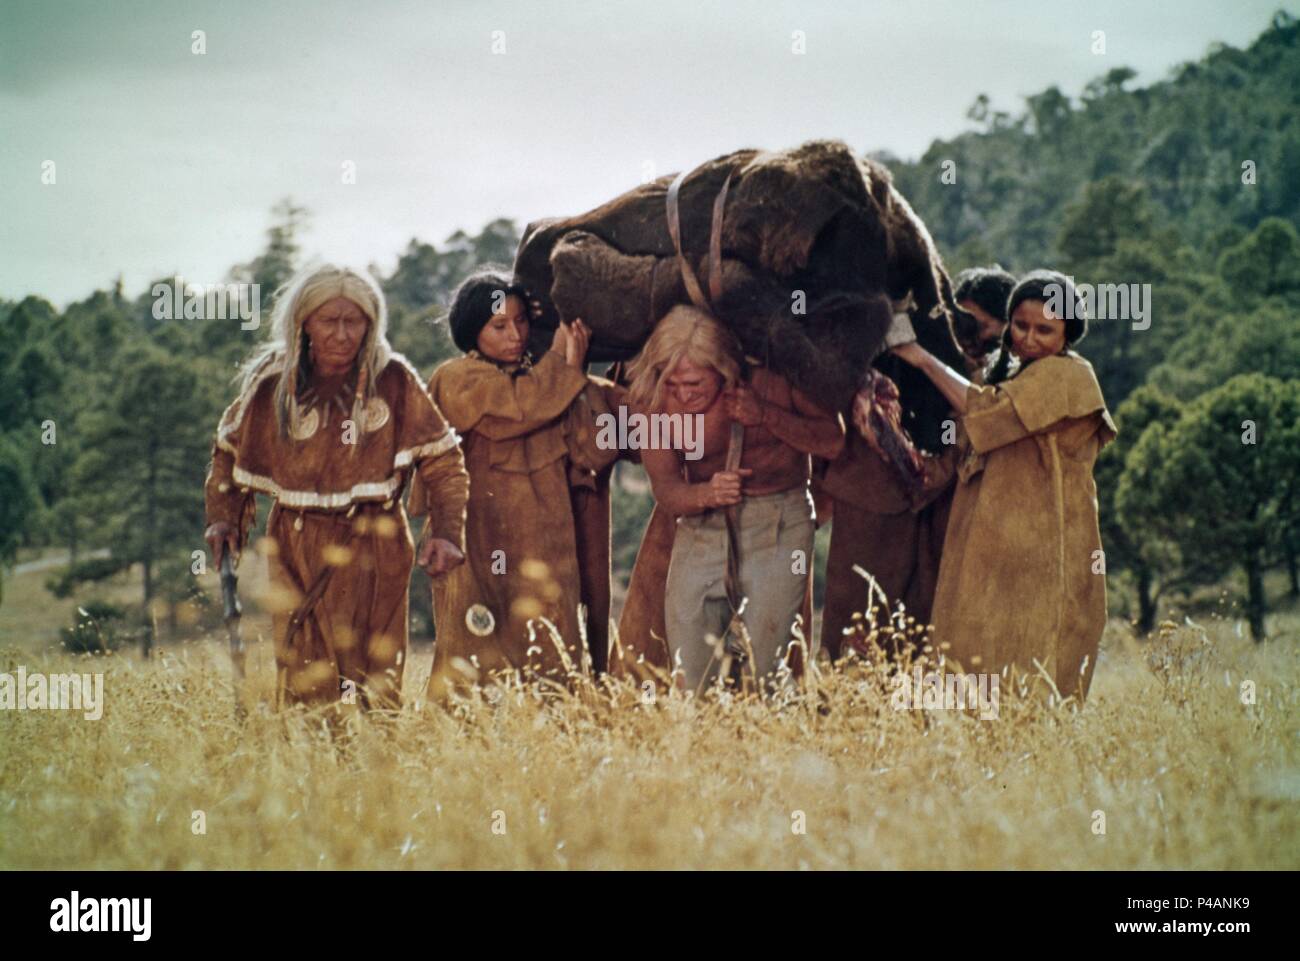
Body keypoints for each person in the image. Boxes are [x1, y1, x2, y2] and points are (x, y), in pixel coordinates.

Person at [204, 265, 469, 710]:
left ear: (371, 323)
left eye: (355, 321)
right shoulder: (274, 383)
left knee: (374, 676)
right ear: (304, 322)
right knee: (304, 672)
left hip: (375, 541)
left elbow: (443, 461)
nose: (344, 334)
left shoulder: (394, 378)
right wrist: (223, 517)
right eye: (330, 321)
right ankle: (313, 771)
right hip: (295, 541)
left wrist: (446, 531)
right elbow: (228, 452)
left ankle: (373, 772)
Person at [888, 270, 1117, 701]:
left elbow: (986, 412)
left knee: (1030, 669)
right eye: (1021, 325)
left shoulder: (1069, 376)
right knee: (975, 662)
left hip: (1044, 551)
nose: (1029, 338)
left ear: (1068, 334)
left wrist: (920, 358)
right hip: (995, 548)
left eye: (1045, 330)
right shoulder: (1016, 374)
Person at [414, 268, 620, 701]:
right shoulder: (458, 378)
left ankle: (548, 756)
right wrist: (566, 365)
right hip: (477, 539)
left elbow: (597, 450)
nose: (515, 335)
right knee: (472, 657)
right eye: (499, 326)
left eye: (522, 321)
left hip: (546, 542)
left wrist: (583, 380)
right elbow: (521, 408)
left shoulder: (553, 384)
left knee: (551, 653)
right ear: (473, 331)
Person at [623, 304, 844, 694]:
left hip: (780, 524)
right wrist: (706, 493)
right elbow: (667, 489)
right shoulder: (653, 399)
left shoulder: (774, 379)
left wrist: (765, 416)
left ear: (724, 369)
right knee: (690, 671)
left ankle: (769, 746)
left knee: (764, 666)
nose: (684, 395)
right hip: (699, 525)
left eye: (695, 383)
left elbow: (833, 440)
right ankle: (706, 752)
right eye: (673, 384)